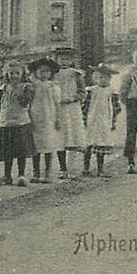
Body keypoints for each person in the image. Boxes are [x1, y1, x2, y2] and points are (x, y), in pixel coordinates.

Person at [0, 59, 35, 186]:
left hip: (21, 122)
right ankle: (7, 175)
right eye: (11, 73)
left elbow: (26, 102)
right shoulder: (3, 88)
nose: (14, 76)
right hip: (6, 123)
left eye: (17, 73)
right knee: (7, 151)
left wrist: (20, 94)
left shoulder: (26, 87)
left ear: (22, 74)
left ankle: (21, 175)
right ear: (6, 74)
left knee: (21, 150)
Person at [53, 47, 87, 179]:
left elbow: (82, 91)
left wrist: (74, 98)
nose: (64, 61)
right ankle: (62, 168)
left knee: (73, 136)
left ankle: (73, 167)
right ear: (56, 59)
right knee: (60, 137)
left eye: (67, 58)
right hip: (59, 108)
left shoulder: (76, 74)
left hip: (72, 107)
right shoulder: (54, 74)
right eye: (61, 58)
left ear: (72, 60)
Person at [27, 57, 62, 183]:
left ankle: (48, 173)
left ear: (51, 73)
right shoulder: (32, 86)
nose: (44, 74)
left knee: (48, 145)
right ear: (36, 72)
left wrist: (58, 118)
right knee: (36, 146)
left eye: (47, 71)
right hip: (36, 117)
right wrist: (29, 118)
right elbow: (29, 103)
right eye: (41, 71)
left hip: (49, 118)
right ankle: (36, 173)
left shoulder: (53, 86)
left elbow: (57, 104)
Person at [82, 64, 121, 178]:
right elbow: (85, 106)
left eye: (106, 77)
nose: (103, 80)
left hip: (105, 121)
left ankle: (100, 169)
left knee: (101, 144)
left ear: (110, 79)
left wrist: (113, 121)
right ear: (96, 78)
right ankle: (86, 168)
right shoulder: (92, 91)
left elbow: (116, 108)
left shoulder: (112, 92)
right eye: (100, 77)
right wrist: (84, 119)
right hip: (92, 121)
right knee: (89, 143)